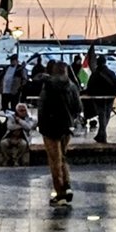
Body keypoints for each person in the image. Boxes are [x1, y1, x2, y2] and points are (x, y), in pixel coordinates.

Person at [38, 61, 79, 204]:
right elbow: (78, 107)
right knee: (63, 157)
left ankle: (60, 194)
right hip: (66, 127)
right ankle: (67, 186)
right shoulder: (72, 86)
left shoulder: (48, 85)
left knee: (54, 160)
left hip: (50, 127)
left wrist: (41, 124)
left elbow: (42, 107)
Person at [86, 55, 116, 144]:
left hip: (98, 99)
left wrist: (92, 95)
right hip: (109, 98)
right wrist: (113, 96)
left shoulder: (95, 74)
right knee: (107, 115)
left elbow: (90, 86)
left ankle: (102, 134)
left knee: (102, 116)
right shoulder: (111, 73)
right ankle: (101, 134)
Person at [0, 102, 36, 167]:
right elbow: (10, 126)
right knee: (3, 143)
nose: (23, 112)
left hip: (22, 138)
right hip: (10, 137)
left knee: (23, 144)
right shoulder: (11, 117)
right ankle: (7, 158)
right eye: (21, 110)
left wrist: (19, 120)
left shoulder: (29, 118)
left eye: (24, 110)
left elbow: (29, 127)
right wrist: (22, 126)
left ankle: (16, 159)